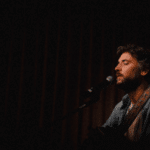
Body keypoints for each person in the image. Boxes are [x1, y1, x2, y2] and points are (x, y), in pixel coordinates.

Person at [80, 44, 150, 150]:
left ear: (144, 70)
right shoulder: (121, 106)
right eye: (118, 63)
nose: (116, 68)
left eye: (125, 63)